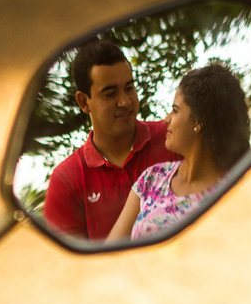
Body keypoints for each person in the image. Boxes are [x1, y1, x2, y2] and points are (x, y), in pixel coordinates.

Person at [42, 40, 179, 240]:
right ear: (83, 102)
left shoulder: (172, 138)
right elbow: (73, 268)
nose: (124, 101)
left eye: (129, 88)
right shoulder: (67, 181)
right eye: (110, 94)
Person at [107, 62, 251, 242]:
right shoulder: (152, 178)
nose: (166, 119)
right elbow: (110, 249)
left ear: (199, 121)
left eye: (175, 110)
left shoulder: (234, 192)